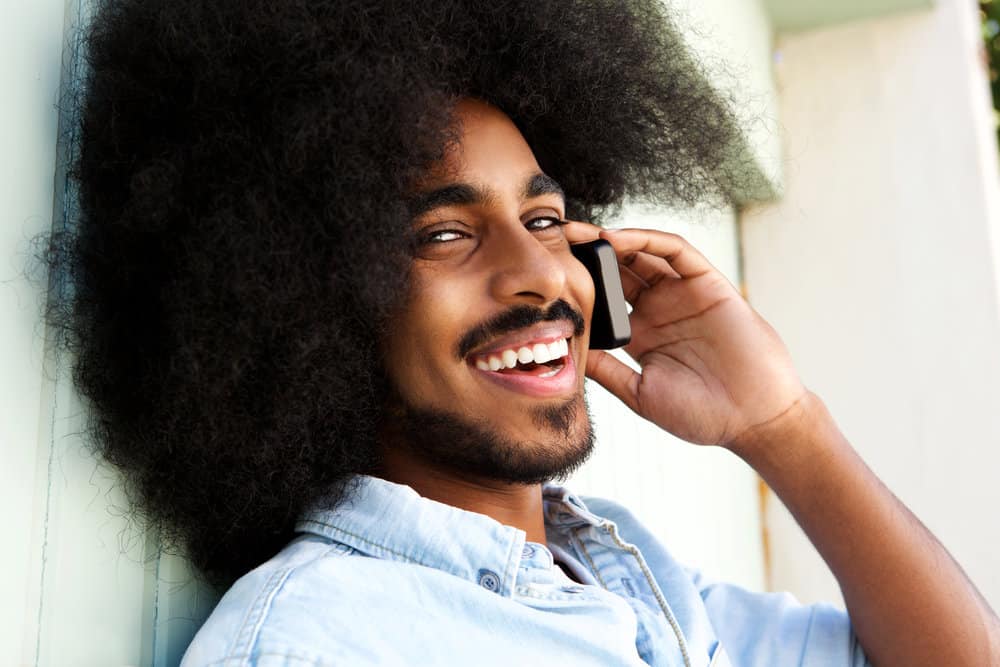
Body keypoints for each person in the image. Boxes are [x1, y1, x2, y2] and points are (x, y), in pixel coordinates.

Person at [44, 0, 999, 665]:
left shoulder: (635, 582)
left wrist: (784, 424)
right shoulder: (323, 643)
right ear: (312, 303)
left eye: (545, 220)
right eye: (445, 234)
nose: (540, 273)